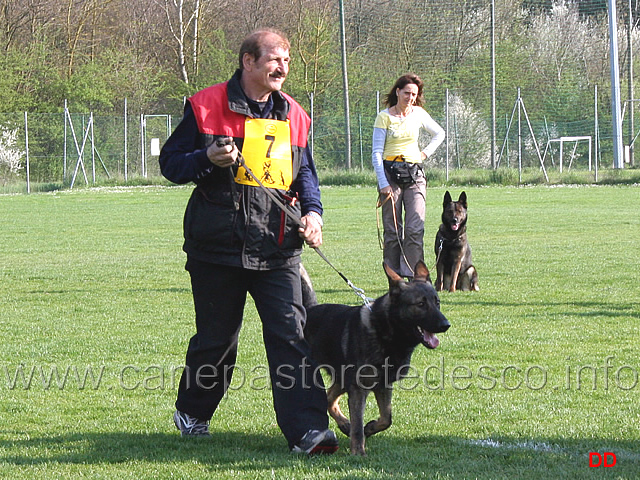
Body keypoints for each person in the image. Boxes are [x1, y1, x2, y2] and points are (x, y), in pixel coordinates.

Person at [159, 29, 338, 455]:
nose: (283, 68)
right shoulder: (205, 106)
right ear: (248, 62)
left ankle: (308, 432)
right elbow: (170, 164)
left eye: (287, 61)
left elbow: (305, 175)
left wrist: (313, 214)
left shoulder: (295, 114)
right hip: (216, 248)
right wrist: (206, 159)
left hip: (277, 246)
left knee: (291, 336)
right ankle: (193, 411)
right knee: (217, 341)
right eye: (275, 60)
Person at [372, 73, 445, 278]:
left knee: (415, 228)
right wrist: (383, 183)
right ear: (397, 92)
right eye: (407, 93)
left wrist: (424, 153)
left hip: (414, 174)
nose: (410, 97)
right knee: (393, 231)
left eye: (414, 94)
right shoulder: (384, 117)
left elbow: (440, 133)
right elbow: (377, 152)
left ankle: (414, 276)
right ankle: (394, 277)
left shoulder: (419, 113)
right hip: (390, 175)